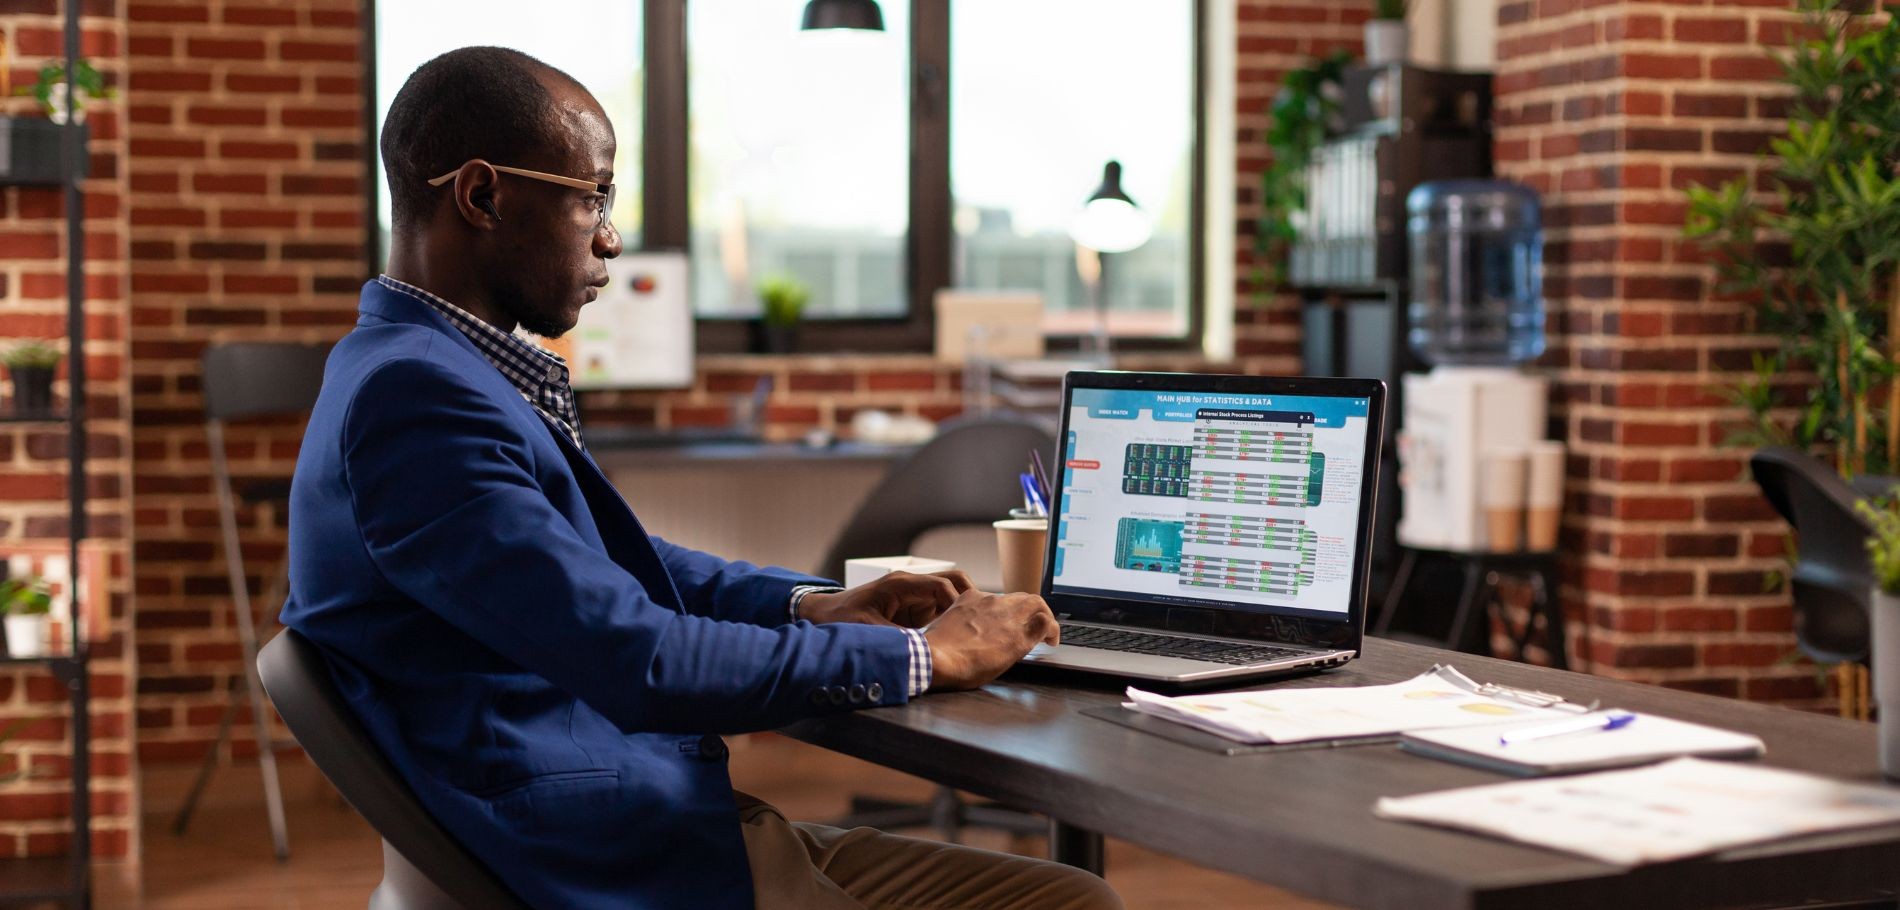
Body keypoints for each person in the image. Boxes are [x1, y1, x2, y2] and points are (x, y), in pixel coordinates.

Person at [283, 46, 1122, 910]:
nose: (611, 236)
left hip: (642, 825)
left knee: (1070, 894)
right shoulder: (417, 399)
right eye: (593, 197)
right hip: (613, 865)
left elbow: (616, 569)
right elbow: (638, 658)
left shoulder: (420, 368)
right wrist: (922, 654)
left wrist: (812, 603)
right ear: (483, 195)